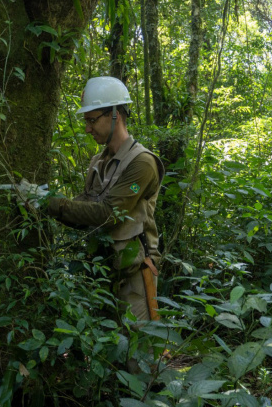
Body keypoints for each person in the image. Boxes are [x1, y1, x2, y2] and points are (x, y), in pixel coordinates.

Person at [17, 76, 165, 325]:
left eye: (92, 120)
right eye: (86, 121)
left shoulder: (142, 163)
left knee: (138, 346)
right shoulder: (99, 162)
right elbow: (83, 212)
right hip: (100, 273)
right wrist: (43, 202)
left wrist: (48, 202)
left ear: (115, 114)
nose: (87, 129)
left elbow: (107, 214)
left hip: (134, 276)